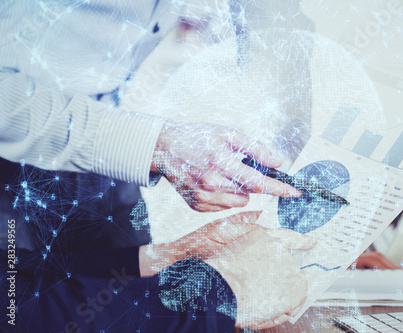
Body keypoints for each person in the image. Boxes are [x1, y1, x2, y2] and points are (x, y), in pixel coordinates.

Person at [0, 0, 318, 331]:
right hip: (17, 158)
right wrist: (222, 295)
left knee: (100, 291)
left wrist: (169, 254)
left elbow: (273, 22)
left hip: (103, 161)